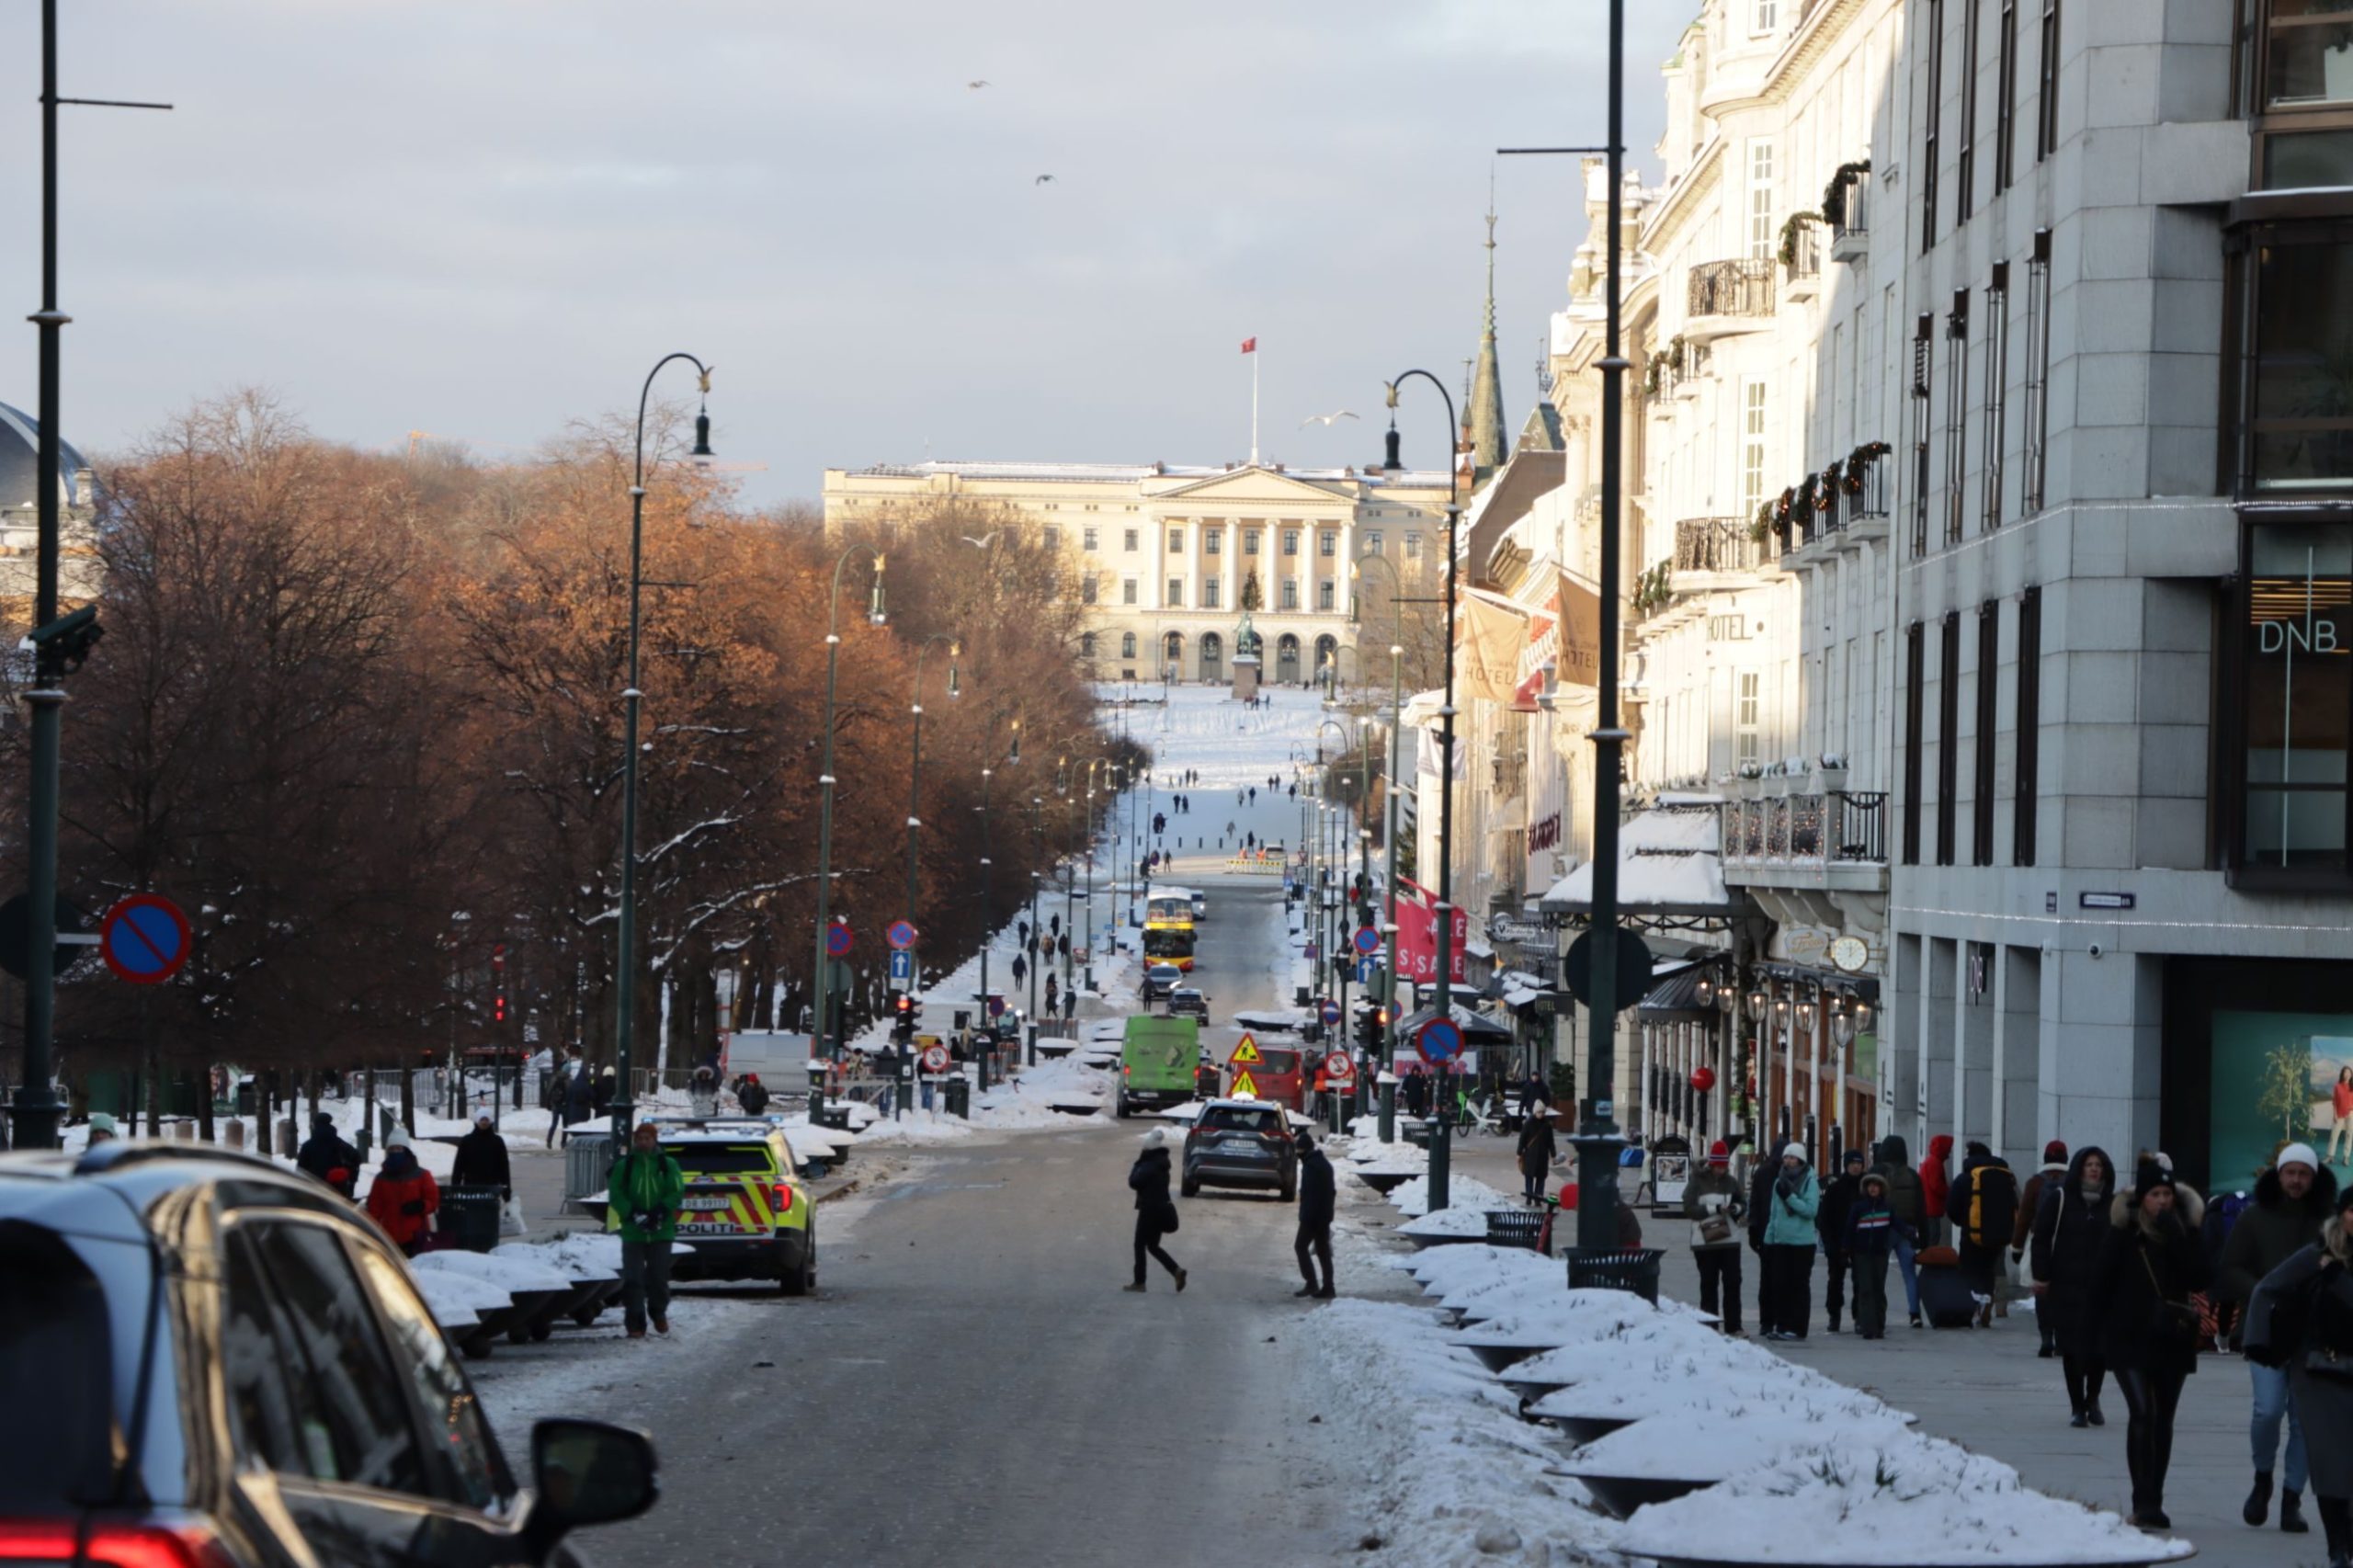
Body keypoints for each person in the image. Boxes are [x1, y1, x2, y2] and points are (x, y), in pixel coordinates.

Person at [2218, 1141, 2336, 1534]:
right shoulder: (2254, 1217)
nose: (2296, 1180)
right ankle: (2263, 1477)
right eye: (2291, 1173)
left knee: (2304, 1421)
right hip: (2266, 1330)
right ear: (2279, 1175)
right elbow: (2231, 1268)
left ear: (2314, 1178)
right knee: (2267, 1410)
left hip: (2313, 1335)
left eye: (2304, 1174)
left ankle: (2291, 1498)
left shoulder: (2328, 1222)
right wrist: (2262, 1292)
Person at [2092, 1155, 2210, 1530]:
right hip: (2128, 1336)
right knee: (2143, 1412)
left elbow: (2199, 1277)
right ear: (2141, 1198)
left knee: (2164, 1419)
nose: (2161, 1201)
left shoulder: (2184, 1230)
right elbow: (2101, 1283)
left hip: (2172, 1337)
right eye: (2154, 1194)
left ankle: (2155, 1499)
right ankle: (2141, 1501)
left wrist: (2178, 1236)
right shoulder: (2123, 1231)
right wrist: (2090, 1336)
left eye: (2166, 1194)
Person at [2245, 1182, 2353, 1568]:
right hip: (2318, 1372)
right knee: (2330, 1462)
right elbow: (2267, 1290)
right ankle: (2338, 1548)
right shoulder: (2320, 1255)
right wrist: (2261, 1344)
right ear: (2342, 1214)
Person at [2032, 1146, 2115, 1427]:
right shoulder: (2060, 1199)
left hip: (2102, 1289)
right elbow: (2041, 1238)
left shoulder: (2113, 1204)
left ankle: (2093, 1398)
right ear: (2079, 1169)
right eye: (2089, 1164)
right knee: (2071, 1348)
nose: (2094, 1169)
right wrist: (2042, 1275)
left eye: (2098, 1165)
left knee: (2099, 1349)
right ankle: (2077, 1406)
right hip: (2066, 1288)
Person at [607, 1120, 685, 1338]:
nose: (643, 1142)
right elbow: (616, 1194)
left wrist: (660, 1211)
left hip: (661, 1231)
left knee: (658, 1278)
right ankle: (635, 1322)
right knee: (633, 1279)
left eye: (647, 1138)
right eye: (640, 1138)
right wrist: (632, 1213)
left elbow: (676, 1190)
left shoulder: (667, 1164)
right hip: (633, 1232)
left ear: (654, 1140)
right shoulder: (625, 1166)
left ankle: (658, 1313)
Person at [1949, 1141, 2020, 1328]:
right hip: (1998, 1234)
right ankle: (1988, 1303)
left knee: (1969, 1271)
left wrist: (1963, 1222)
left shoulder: (1965, 1178)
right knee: (1989, 1270)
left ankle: (1972, 1308)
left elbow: (1952, 1207)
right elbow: (2015, 1203)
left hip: (1971, 1234)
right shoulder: (2004, 1176)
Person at [2015, 1141, 2073, 1357]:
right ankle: (2062, 1339)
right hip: (2067, 1244)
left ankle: (2046, 1336)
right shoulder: (2074, 1182)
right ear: (2066, 1159)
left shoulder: (2035, 1183)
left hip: (2040, 1243)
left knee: (2042, 1290)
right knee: (2064, 1293)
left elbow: (2024, 1218)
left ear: (2045, 1158)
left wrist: (2017, 1248)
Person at [1685, 1140, 1746, 1336]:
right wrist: (1714, 1209)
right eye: (1718, 1166)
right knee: (1709, 1284)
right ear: (1711, 1164)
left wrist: (1736, 1209)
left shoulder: (1732, 1182)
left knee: (1733, 1283)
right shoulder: (1697, 1181)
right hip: (1705, 1242)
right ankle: (1710, 1326)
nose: (1721, 1170)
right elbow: (1689, 1208)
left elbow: (1742, 1203)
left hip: (1730, 1240)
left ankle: (1734, 1326)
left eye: (1724, 1166)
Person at [1872, 1133, 1928, 1327]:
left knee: (1879, 1273)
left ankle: (1878, 1313)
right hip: (1906, 1230)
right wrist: (1924, 1240)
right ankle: (1915, 1314)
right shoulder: (1912, 1175)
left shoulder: (1877, 1172)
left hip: (1882, 1228)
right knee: (1909, 1274)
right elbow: (1921, 1209)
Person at [1125, 1129, 1187, 1292]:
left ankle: (1139, 1282)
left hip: (1149, 1209)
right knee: (1152, 1246)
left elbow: (1134, 1181)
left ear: (1149, 1149)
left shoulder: (1149, 1164)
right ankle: (1176, 1271)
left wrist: (1138, 1163)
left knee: (1139, 1245)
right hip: (1161, 1207)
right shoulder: (1161, 1162)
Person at [364, 1130, 441, 1257]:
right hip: (389, 1239)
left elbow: (433, 1201)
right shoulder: (381, 1179)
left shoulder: (422, 1175)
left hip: (416, 1237)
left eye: (398, 1148)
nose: (395, 1152)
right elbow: (374, 1209)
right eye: (392, 1149)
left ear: (406, 1151)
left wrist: (420, 1206)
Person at [1816, 1148, 1867, 1333]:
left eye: (1859, 1163)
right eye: (1852, 1163)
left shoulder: (1867, 1187)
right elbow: (1823, 1218)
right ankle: (1834, 1315)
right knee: (1835, 1281)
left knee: (1860, 1281)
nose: (1856, 1167)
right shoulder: (1835, 1188)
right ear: (1846, 1165)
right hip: (1837, 1241)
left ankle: (1859, 1316)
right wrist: (1828, 1242)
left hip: (1860, 1242)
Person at [1846, 1169, 1898, 1338]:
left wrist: (1911, 1233)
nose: (1873, 1188)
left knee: (1878, 1289)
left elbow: (1897, 1224)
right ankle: (1868, 1327)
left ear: (1882, 1188)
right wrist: (1846, 1248)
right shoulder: (1859, 1207)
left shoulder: (1887, 1207)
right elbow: (1850, 1229)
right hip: (1862, 1253)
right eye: (1870, 1185)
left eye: (1876, 1185)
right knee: (1865, 1289)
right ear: (1865, 1188)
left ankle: (1879, 1326)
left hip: (1880, 1253)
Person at [1295, 1130, 1336, 1298]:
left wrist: (1305, 1216)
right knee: (1322, 1250)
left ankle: (1311, 1283)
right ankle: (1328, 1287)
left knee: (1300, 1246)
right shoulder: (1323, 1163)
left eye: (1299, 1151)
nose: (1298, 1154)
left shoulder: (1311, 1167)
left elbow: (1310, 1194)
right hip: (1324, 1214)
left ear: (1305, 1150)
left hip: (1312, 1216)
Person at [296, 1110, 361, 1199]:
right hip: (337, 1189)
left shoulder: (307, 1146)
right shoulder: (340, 1144)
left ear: (315, 1125)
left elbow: (300, 1170)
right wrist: (350, 1181)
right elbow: (356, 1158)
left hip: (315, 1190)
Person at [449, 1111, 512, 1199]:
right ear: (476, 1121)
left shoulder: (497, 1141)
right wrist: (455, 1187)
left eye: (486, 1120)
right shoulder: (467, 1141)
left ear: (490, 1121)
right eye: (481, 1119)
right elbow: (458, 1166)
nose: (484, 1122)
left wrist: (506, 1189)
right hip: (470, 1189)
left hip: (492, 1189)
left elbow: (504, 1167)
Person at [1919, 1133, 1955, 1248]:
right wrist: (1950, 1192)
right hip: (1931, 1208)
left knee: (1932, 1237)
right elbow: (1936, 1185)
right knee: (1933, 1238)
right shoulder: (1935, 1163)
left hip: (1928, 1206)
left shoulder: (1932, 1161)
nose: (1950, 1151)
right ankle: (1928, 1259)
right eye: (1949, 1148)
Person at [1517, 1108, 1558, 1205]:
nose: (1541, 1114)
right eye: (1539, 1112)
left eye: (1543, 1112)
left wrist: (1553, 1155)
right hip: (1530, 1155)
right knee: (1529, 1177)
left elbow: (1550, 1142)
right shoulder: (1528, 1123)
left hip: (1542, 1156)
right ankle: (1529, 1197)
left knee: (1541, 1178)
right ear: (1535, 1112)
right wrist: (1519, 1153)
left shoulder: (1547, 1125)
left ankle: (1538, 1199)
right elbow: (1522, 1139)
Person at [2334, 1068, 2353, 1166]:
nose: (2347, 1074)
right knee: (2334, 1135)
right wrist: (2335, 1114)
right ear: (2342, 1074)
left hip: (2351, 1114)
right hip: (2339, 1113)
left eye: (2349, 1072)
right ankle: (2330, 1156)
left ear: (2351, 1075)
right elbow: (2335, 1101)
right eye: (2345, 1072)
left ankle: (2346, 1157)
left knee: (2349, 1135)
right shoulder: (2337, 1086)